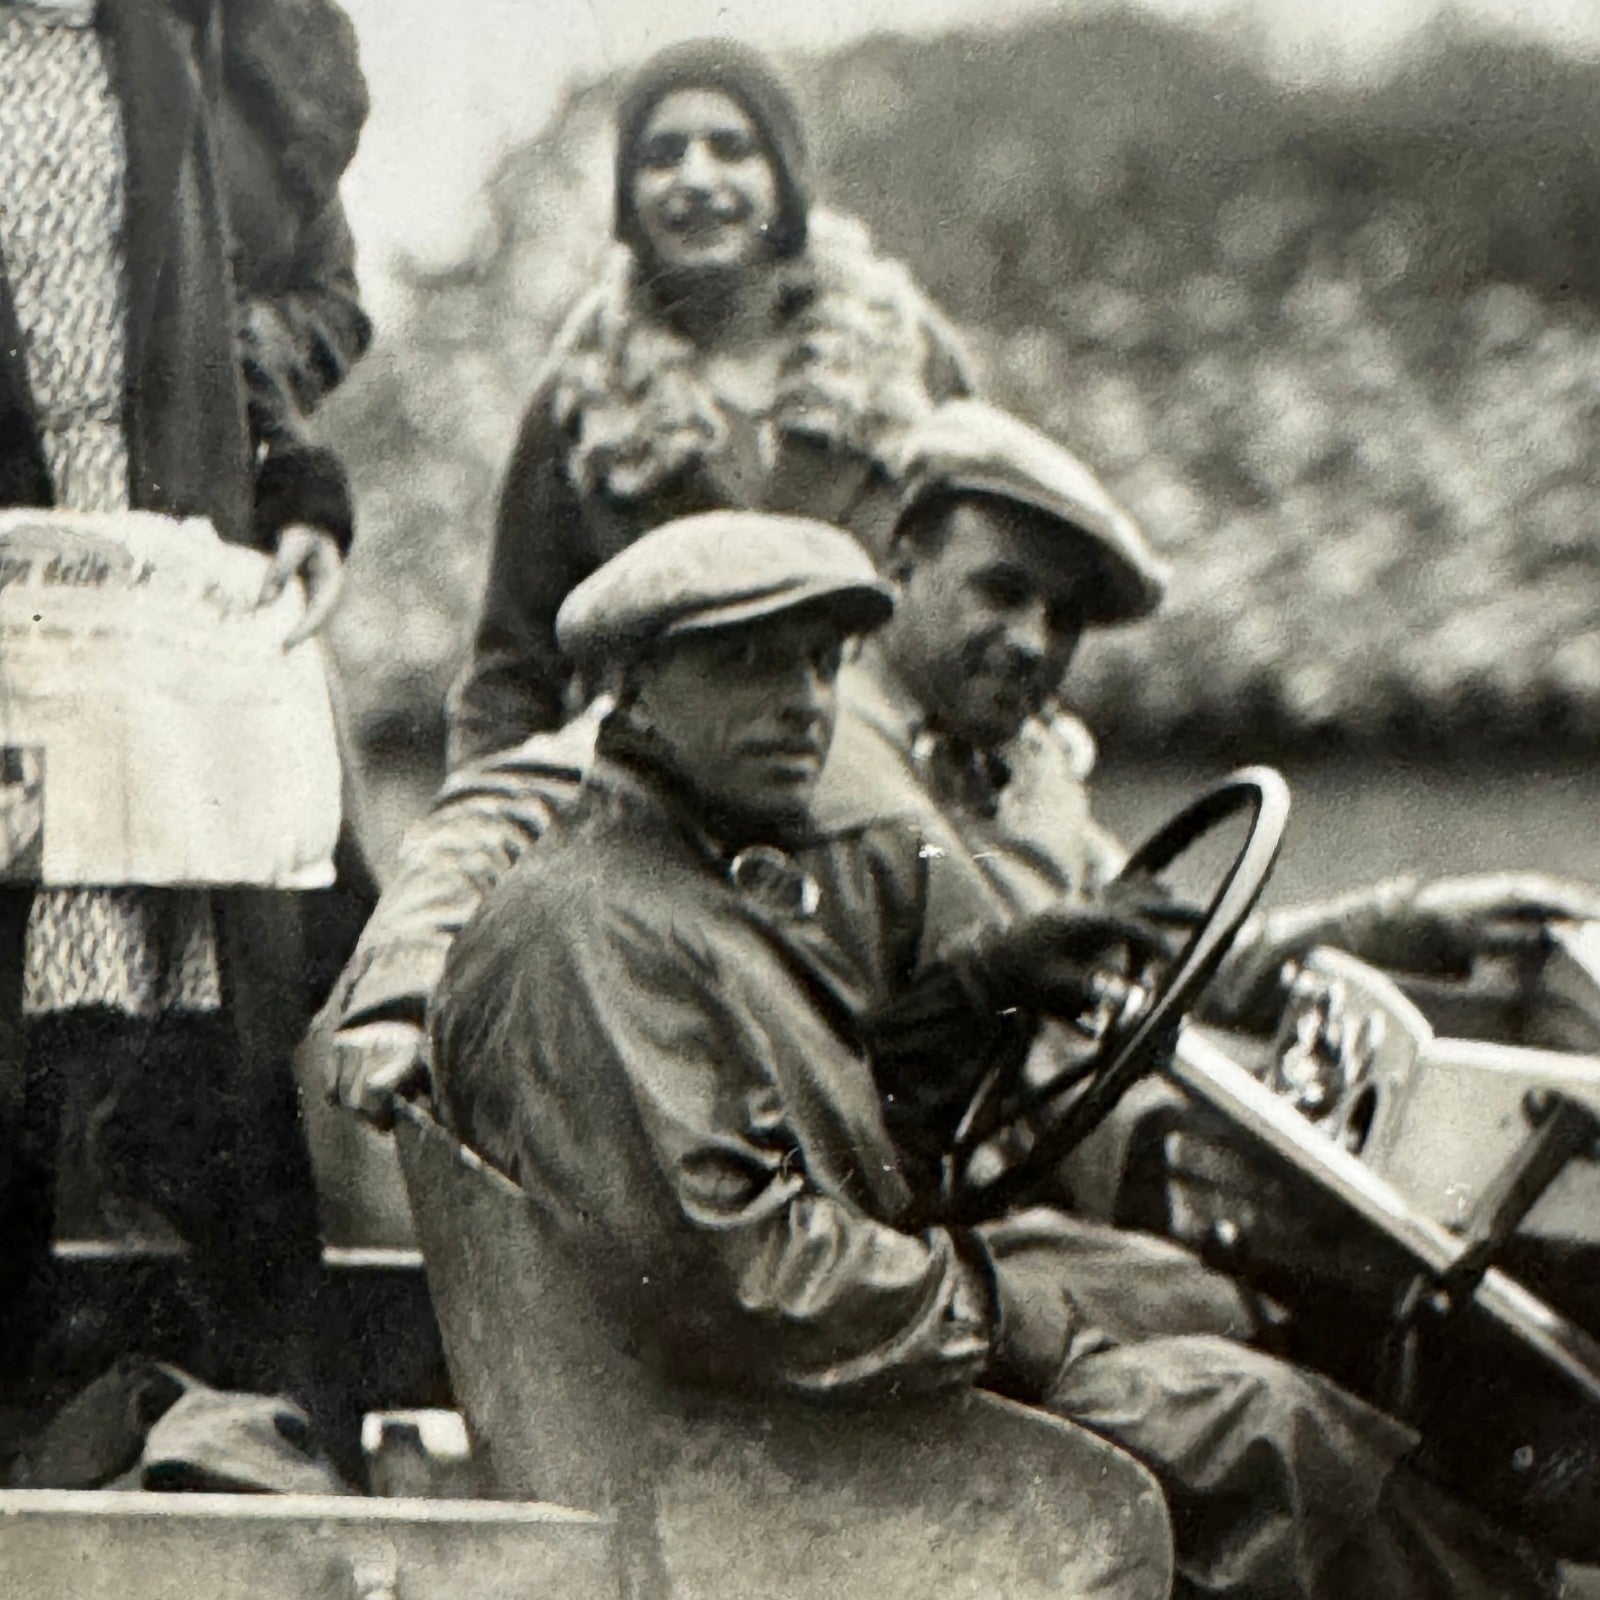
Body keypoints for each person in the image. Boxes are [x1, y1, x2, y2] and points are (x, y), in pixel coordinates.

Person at [427, 511, 1560, 1600]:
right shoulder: (596, 934)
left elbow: (809, 1153)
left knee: (1198, 1294)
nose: (805, 707)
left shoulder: (681, 889)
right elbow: (744, 1279)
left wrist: (967, 1004)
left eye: (823, 665)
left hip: (777, 1387)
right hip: (767, 1451)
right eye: (754, 667)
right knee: (1266, 1424)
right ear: (632, 689)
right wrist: (1005, 1309)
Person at [0, 0, 372, 1428]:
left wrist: (293, 489)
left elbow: (214, 310)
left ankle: (269, 1477)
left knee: (204, 1045)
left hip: (155, 605)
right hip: (10, 619)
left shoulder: (163, 39)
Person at [445, 37, 974, 768]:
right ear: (629, 195)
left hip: (887, 791)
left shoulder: (907, 356)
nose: (695, 178)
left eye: (731, 147)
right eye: (660, 156)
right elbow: (512, 672)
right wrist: (482, 824)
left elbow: (994, 591)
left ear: (784, 178)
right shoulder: (582, 397)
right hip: (663, 803)